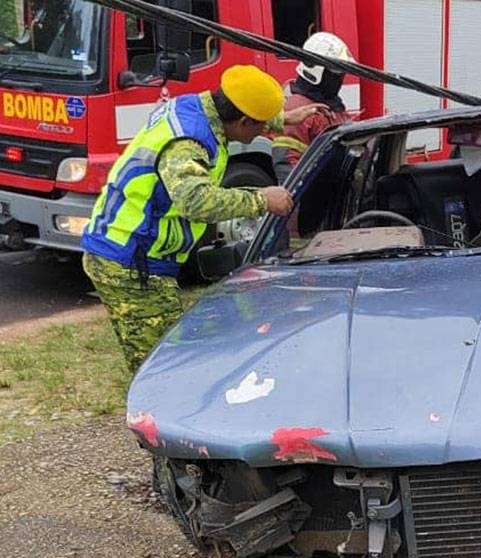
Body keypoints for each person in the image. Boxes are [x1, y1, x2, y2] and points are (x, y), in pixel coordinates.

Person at [81, 65, 326, 374]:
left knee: (171, 357)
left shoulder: (196, 106)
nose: (258, 134)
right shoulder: (189, 143)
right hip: (130, 259)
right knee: (163, 368)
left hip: (136, 250)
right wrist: (262, 199)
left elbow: (239, 117)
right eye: (259, 126)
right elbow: (195, 202)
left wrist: (282, 120)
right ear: (242, 120)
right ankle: (152, 419)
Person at [271, 31, 356, 184]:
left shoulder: (332, 104)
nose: (339, 79)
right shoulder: (297, 108)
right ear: (315, 70)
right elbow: (287, 163)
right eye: (335, 73)